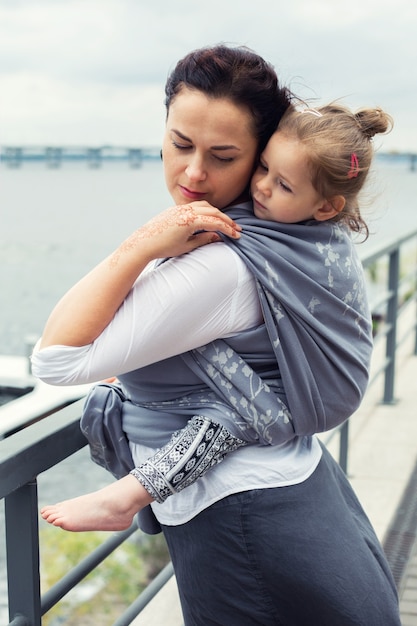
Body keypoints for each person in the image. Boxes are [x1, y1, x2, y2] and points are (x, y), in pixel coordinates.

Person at [32, 45, 401, 625]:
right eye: (180, 145)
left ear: (259, 153)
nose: (195, 173)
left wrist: (147, 240)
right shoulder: (294, 239)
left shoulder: (224, 265)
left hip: (243, 524)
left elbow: (55, 361)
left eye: (224, 156)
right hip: (298, 494)